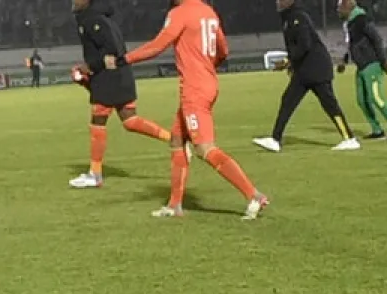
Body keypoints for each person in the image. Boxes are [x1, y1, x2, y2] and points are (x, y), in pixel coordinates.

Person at [111, 0, 270, 219]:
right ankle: (175, 205)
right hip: (209, 84)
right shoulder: (208, 11)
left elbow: (158, 45)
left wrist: (124, 60)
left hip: (194, 91)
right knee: (177, 140)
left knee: (205, 149)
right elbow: (223, 50)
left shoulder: (180, 13)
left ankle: (253, 195)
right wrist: (205, 66)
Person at [68, 0, 173, 189]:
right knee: (130, 121)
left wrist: (89, 67)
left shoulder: (94, 20)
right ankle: (174, 140)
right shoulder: (98, 18)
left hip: (110, 77)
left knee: (98, 121)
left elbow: (112, 52)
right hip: (120, 75)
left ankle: (95, 175)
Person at [253, 0, 359, 153]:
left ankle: (350, 139)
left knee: (329, 104)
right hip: (305, 71)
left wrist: (288, 61)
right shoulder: (289, 18)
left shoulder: (298, 17)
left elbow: (305, 45)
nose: (277, 2)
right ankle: (275, 139)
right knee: (288, 101)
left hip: (317, 69)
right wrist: (293, 65)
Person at [338, 0, 387, 139]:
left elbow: (377, 39)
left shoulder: (362, 20)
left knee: (376, 97)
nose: (338, 10)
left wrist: (383, 61)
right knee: (362, 100)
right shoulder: (349, 24)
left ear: (348, 6)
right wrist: (344, 60)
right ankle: (377, 130)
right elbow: (351, 45)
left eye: (340, 7)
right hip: (361, 66)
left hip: (371, 63)